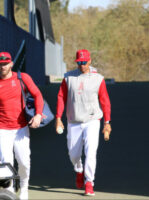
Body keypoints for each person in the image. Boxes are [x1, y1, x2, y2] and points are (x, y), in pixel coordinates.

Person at [0, 51, 44, 200]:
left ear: (11, 64)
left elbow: (37, 95)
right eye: (0, 64)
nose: (3, 66)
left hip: (21, 127)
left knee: (24, 162)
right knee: (6, 162)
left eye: (6, 63)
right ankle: (8, 190)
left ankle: (24, 188)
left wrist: (38, 114)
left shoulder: (23, 78)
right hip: (2, 129)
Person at [55, 49, 112, 196]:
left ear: (90, 61)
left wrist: (107, 121)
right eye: (79, 62)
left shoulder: (98, 78)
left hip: (92, 120)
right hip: (73, 121)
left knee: (91, 151)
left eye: (84, 62)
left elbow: (105, 101)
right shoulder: (68, 77)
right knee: (73, 154)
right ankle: (79, 169)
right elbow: (61, 97)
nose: (82, 65)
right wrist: (58, 118)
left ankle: (89, 182)